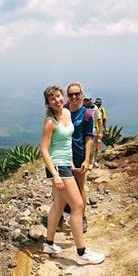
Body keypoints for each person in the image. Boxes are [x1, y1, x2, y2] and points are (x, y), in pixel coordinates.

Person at [40, 85, 105, 265]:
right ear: (48, 103)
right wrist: (55, 175)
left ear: (63, 97)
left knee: (58, 206)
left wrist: (71, 161)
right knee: (77, 206)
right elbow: (44, 150)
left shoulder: (67, 114)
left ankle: (49, 244)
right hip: (58, 167)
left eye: (59, 97)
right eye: (52, 99)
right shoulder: (50, 121)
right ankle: (81, 253)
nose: (57, 100)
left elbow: (66, 141)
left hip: (66, 164)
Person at [66, 83, 93, 232]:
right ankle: (60, 217)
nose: (74, 97)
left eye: (77, 94)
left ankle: (82, 217)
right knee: (61, 187)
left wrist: (86, 160)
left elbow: (89, 138)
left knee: (80, 186)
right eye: (71, 94)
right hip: (63, 156)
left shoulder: (87, 114)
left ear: (82, 94)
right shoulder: (61, 111)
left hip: (78, 155)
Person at [83, 95, 102, 168]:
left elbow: (99, 120)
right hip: (84, 130)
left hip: (93, 130)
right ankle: (89, 161)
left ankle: (93, 161)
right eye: (85, 100)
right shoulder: (82, 108)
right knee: (87, 146)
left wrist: (100, 132)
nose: (86, 101)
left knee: (94, 146)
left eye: (87, 100)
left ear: (90, 100)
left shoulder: (94, 108)